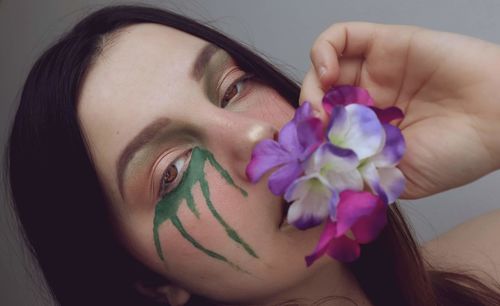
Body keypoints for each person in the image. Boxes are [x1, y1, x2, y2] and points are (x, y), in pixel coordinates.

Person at [5, 5, 500, 306]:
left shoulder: (484, 266)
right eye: (172, 171)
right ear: (147, 284)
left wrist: (492, 110)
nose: (257, 134)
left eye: (232, 87)